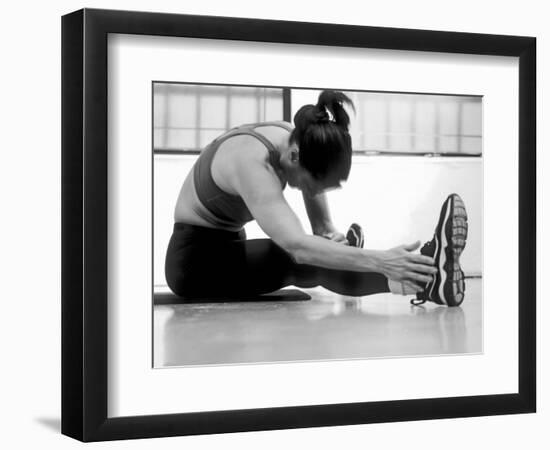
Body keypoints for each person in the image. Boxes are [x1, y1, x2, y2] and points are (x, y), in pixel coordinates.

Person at [165, 90, 468, 306]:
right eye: (312, 184)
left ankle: (422, 274)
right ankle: (428, 280)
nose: (311, 192)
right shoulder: (250, 161)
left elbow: (320, 226)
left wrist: (330, 237)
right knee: (297, 259)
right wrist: (379, 259)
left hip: (229, 244)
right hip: (194, 262)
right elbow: (298, 247)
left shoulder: (296, 139)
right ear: (295, 157)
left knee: (319, 251)